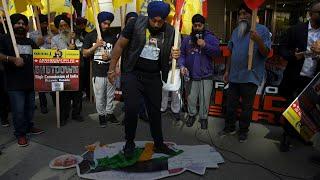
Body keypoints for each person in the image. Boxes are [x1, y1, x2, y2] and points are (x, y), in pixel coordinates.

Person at [108, 1, 180, 158]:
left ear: (165, 19)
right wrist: (112, 69)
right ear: (149, 16)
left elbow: (167, 55)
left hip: (153, 76)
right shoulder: (135, 23)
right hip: (133, 73)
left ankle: (159, 144)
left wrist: (173, 55)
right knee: (132, 109)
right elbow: (120, 45)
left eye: (160, 21)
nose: (156, 23)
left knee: (155, 111)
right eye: (153, 20)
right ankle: (129, 143)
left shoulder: (170, 31)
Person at [220, 3, 271, 142]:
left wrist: (258, 40)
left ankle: (243, 131)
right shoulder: (236, 31)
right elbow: (231, 52)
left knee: (246, 108)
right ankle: (230, 127)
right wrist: (227, 71)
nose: (242, 17)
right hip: (234, 76)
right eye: (240, 14)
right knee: (231, 105)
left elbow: (266, 52)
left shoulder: (262, 30)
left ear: (252, 14)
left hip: (250, 76)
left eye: (245, 14)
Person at [279, 0, 320, 151]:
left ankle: (302, 135)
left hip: (313, 79)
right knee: (292, 107)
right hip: (295, 76)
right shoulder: (296, 30)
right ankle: (286, 137)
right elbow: (282, 49)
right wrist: (293, 56)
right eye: (319, 13)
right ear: (311, 14)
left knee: (307, 110)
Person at [0, 13, 44, 147]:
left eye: (23, 24)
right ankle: (20, 134)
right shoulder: (5, 39)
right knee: (18, 110)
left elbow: (39, 56)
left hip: (30, 82)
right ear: (11, 24)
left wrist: (39, 45)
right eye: (18, 23)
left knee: (30, 108)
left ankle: (29, 126)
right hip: (14, 83)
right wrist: (12, 59)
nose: (21, 26)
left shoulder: (29, 41)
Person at [179, 14, 221, 129]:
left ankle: (203, 118)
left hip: (206, 75)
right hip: (191, 75)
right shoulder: (187, 39)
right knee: (191, 98)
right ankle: (191, 115)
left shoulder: (210, 38)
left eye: (199, 25)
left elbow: (217, 53)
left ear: (204, 25)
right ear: (192, 26)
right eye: (195, 25)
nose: (197, 27)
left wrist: (205, 45)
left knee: (205, 99)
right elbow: (182, 54)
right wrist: (182, 65)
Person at [83, 12, 120, 127]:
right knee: (99, 96)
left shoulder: (112, 37)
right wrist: (95, 46)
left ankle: (109, 113)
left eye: (109, 24)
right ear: (99, 23)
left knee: (110, 95)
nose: (107, 26)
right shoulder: (90, 36)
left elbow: (117, 53)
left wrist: (110, 58)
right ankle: (101, 115)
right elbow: (84, 53)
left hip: (110, 71)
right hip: (98, 72)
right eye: (104, 23)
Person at [51, 14, 83, 125]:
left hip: (75, 69)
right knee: (63, 95)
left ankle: (76, 113)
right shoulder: (55, 39)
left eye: (65, 25)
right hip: (62, 70)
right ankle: (64, 115)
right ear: (58, 28)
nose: (64, 27)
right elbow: (54, 54)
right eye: (61, 26)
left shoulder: (75, 36)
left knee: (77, 94)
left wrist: (73, 40)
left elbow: (82, 50)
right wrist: (66, 50)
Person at [29, 14, 54, 114]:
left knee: (52, 82)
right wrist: (40, 40)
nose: (44, 25)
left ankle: (55, 101)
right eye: (42, 23)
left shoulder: (51, 34)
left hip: (50, 62)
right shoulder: (33, 34)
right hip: (39, 63)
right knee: (41, 86)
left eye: (45, 23)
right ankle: (43, 105)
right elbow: (33, 46)